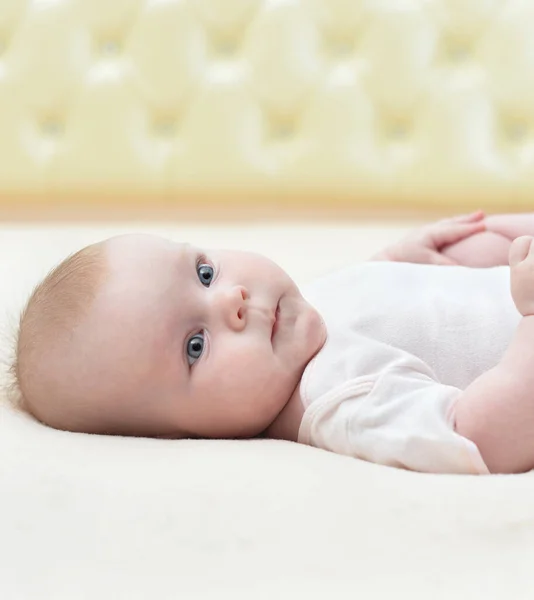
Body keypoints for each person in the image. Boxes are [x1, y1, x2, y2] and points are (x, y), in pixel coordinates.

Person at [9, 211, 534, 475]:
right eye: (195, 346)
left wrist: (399, 260)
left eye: (205, 271)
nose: (232, 300)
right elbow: (481, 436)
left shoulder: (291, 320)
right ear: (188, 437)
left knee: (482, 236)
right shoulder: (340, 399)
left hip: (498, 292)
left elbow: (369, 308)